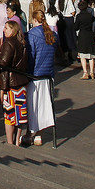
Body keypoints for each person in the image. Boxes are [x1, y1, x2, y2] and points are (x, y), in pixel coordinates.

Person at [0, 19, 30, 146]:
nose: (3, 30)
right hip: (21, 82)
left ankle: (10, 142)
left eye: (6, 28)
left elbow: (3, 62)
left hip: (10, 83)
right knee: (20, 115)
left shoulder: (9, 43)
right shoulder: (22, 42)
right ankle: (18, 140)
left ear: (13, 30)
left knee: (9, 115)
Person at [25, 9, 57, 145]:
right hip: (48, 73)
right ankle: (39, 135)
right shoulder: (51, 33)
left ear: (34, 20)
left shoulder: (31, 35)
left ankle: (30, 133)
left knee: (32, 105)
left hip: (35, 74)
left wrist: (27, 72)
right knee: (44, 104)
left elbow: (31, 56)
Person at [75, 0, 95, 79]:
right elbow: (93, 20)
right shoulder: (90, 15)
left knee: (83, 55)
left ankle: (85, 72)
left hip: (82, 35)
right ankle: (92, 72)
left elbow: (75, 27)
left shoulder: (79, 16)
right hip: (90, 34)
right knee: (91, 55)